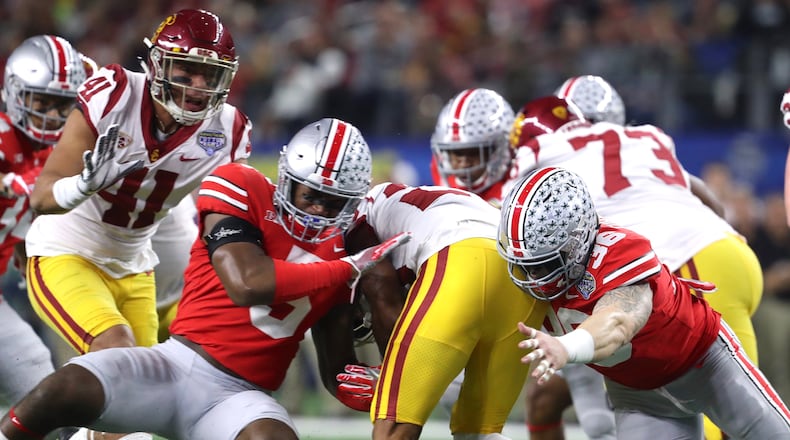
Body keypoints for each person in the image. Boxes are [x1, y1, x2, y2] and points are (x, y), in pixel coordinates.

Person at [0, 117, 412, 440]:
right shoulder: (243, 185)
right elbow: (246, 282)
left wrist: (365, 388)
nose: (318, 211)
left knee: (273, 437)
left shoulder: (348, 256)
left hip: (240, 398)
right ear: (286, 179)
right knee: (62, 386)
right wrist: (346, 269)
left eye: (333, 202)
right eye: (310, 195)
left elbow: (335, 367)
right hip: (172, 365)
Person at [515, 82, 764, 440]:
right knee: (736, 418)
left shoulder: (539, 153)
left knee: (724, 423)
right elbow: (710, 201)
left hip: (685, 263)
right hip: (726, 250)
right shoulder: (644, 137)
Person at [499, 166, 790, 439]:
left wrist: (567, 346)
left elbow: (616, 323)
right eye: (522, 264)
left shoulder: (618, 252)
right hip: (638, 395)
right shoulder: (527, 272)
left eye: (544, 263)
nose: (531, 276)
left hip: (705, 364)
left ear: (577, 242)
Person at [24, 8, 251, 357]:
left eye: (210, 75)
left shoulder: (229, 131)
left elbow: (227, 227)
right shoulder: (114, 94)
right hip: (67, 251)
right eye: (187, 72)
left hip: (135, 267)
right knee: (116, 350)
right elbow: (41, 197)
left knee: (145, 394)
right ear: (159, 65)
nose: (199, 87)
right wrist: (82, 186)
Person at [429, 86, 615, 440]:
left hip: (564, 291)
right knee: (462, 391)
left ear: (503, 148)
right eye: (457, 155)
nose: (464, 166)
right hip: (505, 292)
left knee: (590, 399)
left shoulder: (535, 169)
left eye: (473, 154)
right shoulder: (451, 187)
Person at [334, 181, 548, 439]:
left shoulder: (357, 221)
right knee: (480, 432)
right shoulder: (417, 205)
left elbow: (380, 287)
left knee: (394, 427)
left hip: (459, 259)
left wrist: (391, 374)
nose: (362, 317)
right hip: (522, 275)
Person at [0, 34, 86, 405]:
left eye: (61, 105)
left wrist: (22, 243)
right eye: (43, 101)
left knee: (35, 373)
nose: (51, 115)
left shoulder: (57, 149)